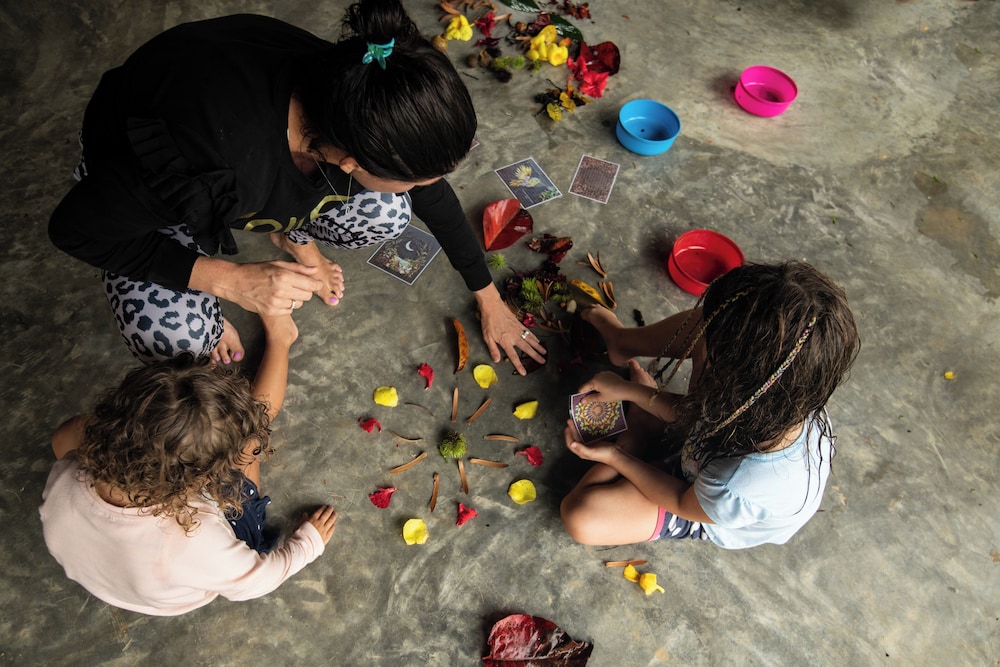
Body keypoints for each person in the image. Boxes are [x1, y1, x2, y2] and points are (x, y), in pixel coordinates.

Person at [48, 0, 546, 373]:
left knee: (387, 213)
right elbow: (73, 230)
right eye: (413, 179)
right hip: (150, 170)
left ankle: (292, 236)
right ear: (350, 160)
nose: (421, 189)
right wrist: (227, 280)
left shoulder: (360, 82)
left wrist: (488, 296)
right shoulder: (213, 160)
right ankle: (227, 277)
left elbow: (429, 196)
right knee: (178, 345)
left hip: (232, 157)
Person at [38, 312, 338, 616]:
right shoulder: (195, 541)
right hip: (171, 577)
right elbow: (259, 580)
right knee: (250, 440)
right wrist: (307, 544)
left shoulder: (75, 463)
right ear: (204, 478)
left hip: (104, 571)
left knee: (231, 432)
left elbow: (61, 441)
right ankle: (281, 338)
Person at [560, 262, 860, 549]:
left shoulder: (738, 485)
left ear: (731, 393)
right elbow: (698, 415)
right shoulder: (779, 396)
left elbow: (680, 500)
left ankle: (643, 435)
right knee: (717, 323)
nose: (698, 356)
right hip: (710, 453)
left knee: (581, 517)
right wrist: (632, 391)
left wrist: (619, 453)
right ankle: (622, 342)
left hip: (697, 504)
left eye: (707, 362)